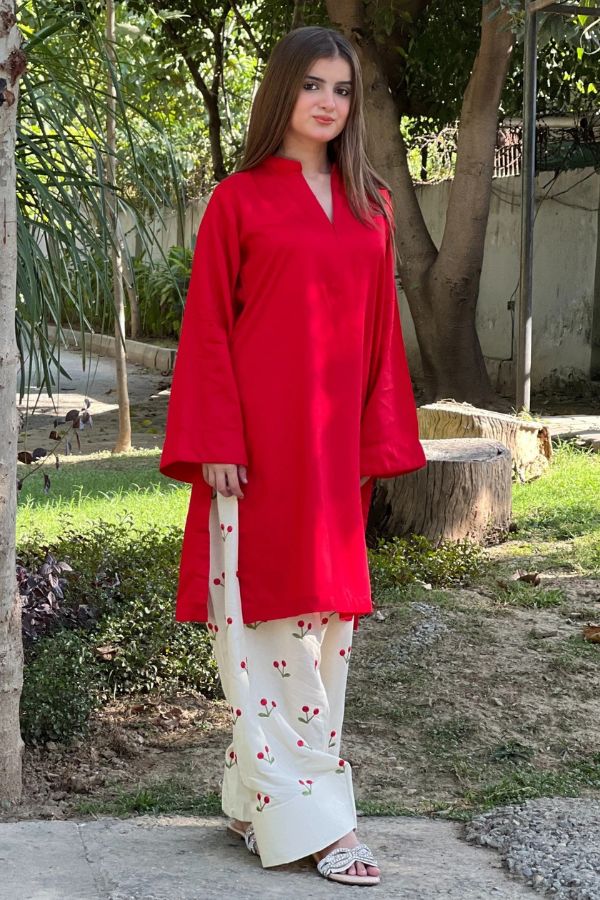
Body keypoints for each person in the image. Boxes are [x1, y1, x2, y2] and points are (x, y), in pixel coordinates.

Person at [159, 23, 427, 887]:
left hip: (332, 456)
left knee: (325, 630)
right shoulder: (237, 201)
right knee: (264, 629)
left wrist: (374, 441)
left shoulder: (372, 205)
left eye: (342, 89)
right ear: (282, 91)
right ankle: (322, 823)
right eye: (313, 84)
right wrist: (216, 441)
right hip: (255, 454)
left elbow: (381, 337)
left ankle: (257, 801)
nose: (328, 102)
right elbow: (207, 329)